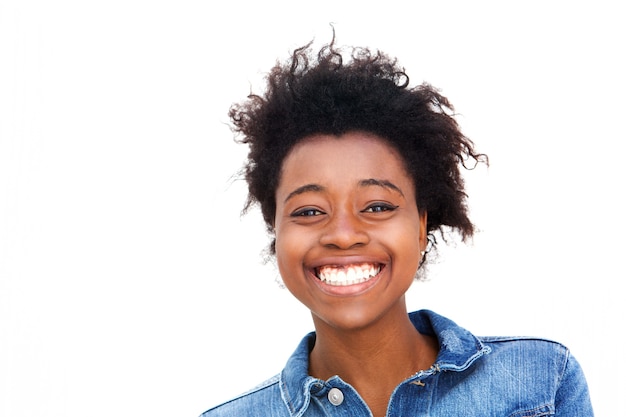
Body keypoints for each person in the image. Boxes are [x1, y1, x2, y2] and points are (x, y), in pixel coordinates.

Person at [201, 35, 594, 416]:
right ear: (276, 230)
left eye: (376, 206)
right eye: (308, 211)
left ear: (422, 224)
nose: (342, 234)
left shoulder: (541, 382)